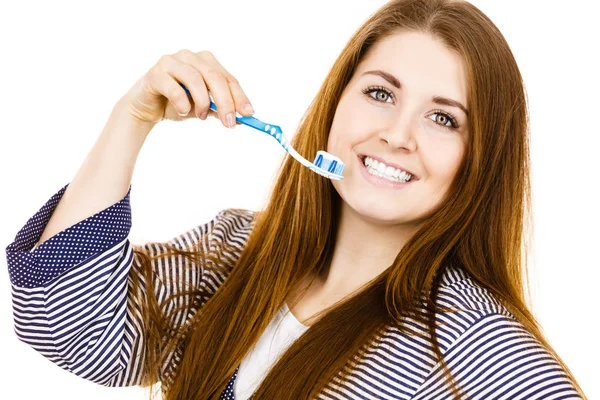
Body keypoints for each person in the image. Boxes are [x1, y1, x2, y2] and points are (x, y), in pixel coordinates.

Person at [5, 0, 588, 399]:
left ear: (483, 159)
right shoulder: (234, 251)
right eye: (381, 93)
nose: (397, 135)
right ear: (336, 102)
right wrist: (131, 117)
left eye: (443, 118)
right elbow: (65, 324)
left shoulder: (478, 349)